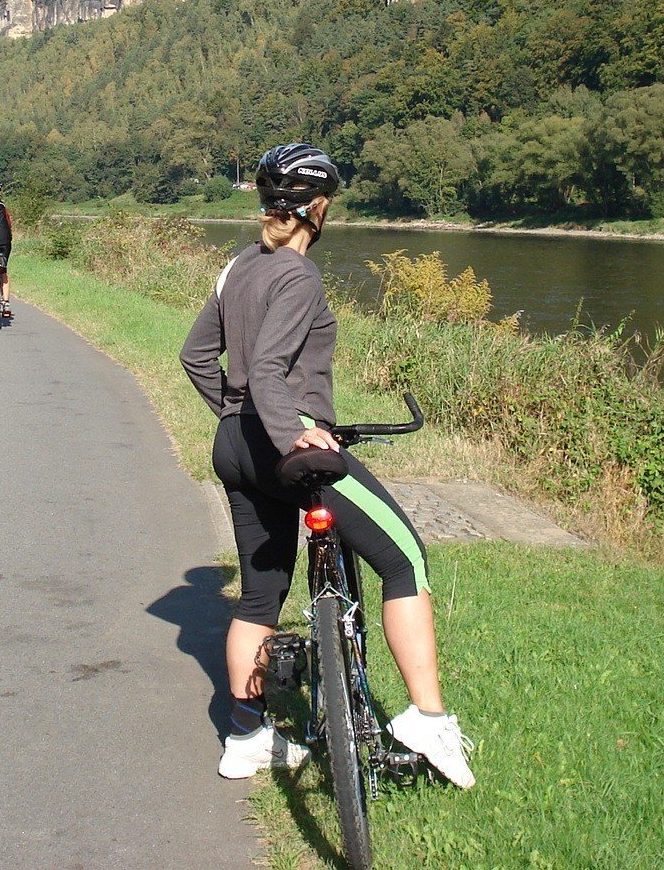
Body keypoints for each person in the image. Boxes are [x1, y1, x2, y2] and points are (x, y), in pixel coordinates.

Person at [179, 143, 476, 788]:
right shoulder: (298, 274)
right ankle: (428, 718)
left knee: (260, 593)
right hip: (288, 451)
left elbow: (196, 356)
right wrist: (293, 434)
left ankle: (246, 736)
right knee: (406, 559)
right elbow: (266, 372)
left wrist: (237, 419)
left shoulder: (235, 269)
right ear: (316, 208)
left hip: (235, 448)